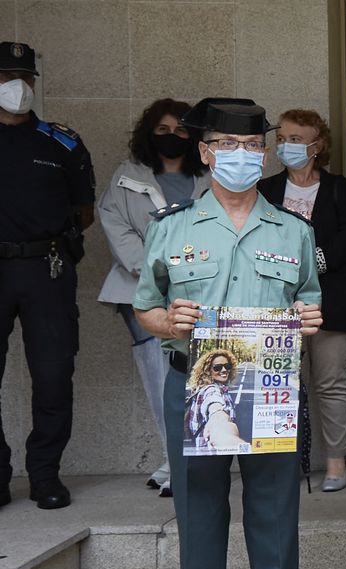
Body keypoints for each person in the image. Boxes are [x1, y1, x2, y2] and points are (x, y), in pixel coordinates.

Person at [132, 98, 323, 569]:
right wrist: (167, 321)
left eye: (252, 147)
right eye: (228, 146)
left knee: (274, 512)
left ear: (263, 154)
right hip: (193, 382)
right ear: (206, 152)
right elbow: (145, 309)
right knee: (199, 511)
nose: (242, 156)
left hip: (267, 384)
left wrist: (307, 319)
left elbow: (308, 301)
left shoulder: (293, 230)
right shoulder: (172, 227)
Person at [98, 98, 210, 497]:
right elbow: (116, 227)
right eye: (162, 130)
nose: (172, 136)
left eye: (181, 130)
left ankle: (181, 458)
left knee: (195, 376)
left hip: (199, 290)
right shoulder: (127, 176)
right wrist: (155, 273)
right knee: (159, 379)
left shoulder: (209, 177)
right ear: (149, 134)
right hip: (140, 290)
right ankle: (173, 459)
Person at [0, 41, 94, 511]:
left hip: (47, 268)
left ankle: (45, 475)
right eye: (6, 77)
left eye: (25, 77)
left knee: (54, 376)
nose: (17, 86)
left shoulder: (62, 142)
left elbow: (84, 210)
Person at [260, 109, 346, 492]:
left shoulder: (340, 189)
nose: (286, 146)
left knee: (331, 382)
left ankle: (335, 462)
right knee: (279, 382)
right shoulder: (264, 189)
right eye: (282, 139)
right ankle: (279, 461)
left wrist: (309, 263)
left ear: (317, 146)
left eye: (296, 140)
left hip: (330, 302)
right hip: (275, 301)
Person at [185, 350, 244, 451]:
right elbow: (214, 405)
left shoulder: (208, 388)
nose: (224, 370)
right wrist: (218, 418)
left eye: (227, 366)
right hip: (212, 452)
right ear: (208, 370)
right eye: (217, 367)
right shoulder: (211, 389)